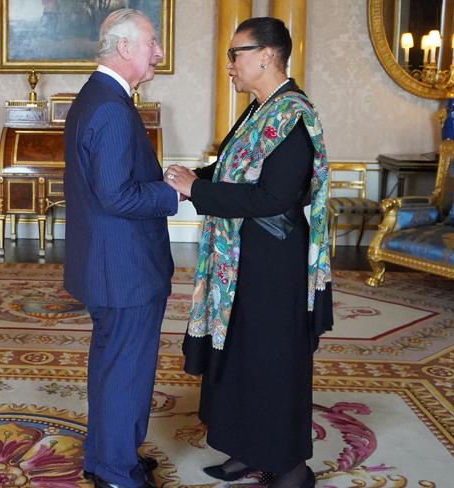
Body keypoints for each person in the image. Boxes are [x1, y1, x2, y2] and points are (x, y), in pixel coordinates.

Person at [164, 17, 333, 488]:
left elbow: (272, 198)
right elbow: (232, 169)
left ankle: (291, 467)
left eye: (235, 55)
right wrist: (191, 177)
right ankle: (247, 450)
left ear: (266, 55)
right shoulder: (261, 109)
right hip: (241, 258)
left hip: (273, 261)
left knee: (271, 360)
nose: (229, 66)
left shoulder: (293, 115)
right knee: (239, 353)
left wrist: (197, 188)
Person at [63, 9, 178, 488]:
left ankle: (106, 457)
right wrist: (177, 192)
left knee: (113, 368)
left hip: (108, 265)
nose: (158, 52)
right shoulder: (110, 106)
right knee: (126, 373)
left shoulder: (99, 96)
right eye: (152, 43)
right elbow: (117, 194)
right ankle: (116, 473)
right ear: (125, 47)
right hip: (125, 269)